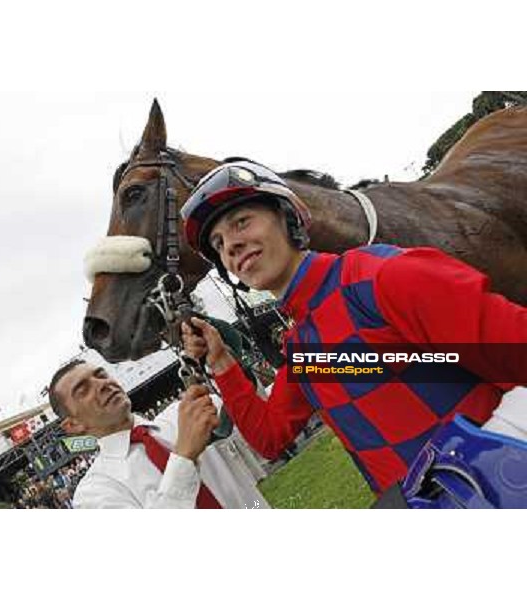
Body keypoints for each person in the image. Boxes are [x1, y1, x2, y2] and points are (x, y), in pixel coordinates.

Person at [179, 160, 527, 504]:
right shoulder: (303, 349)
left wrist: (478, 471)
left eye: (241, 222)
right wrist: (221, 360)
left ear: (289, 216)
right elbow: (270, 437)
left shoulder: (382, 277)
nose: (231, 246)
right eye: (219, 242)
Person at [48, 359, 268, 509]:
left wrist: (226, 359)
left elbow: (265, 424)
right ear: (73, 425)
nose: (102, 384)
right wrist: (184, 456)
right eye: (83, 389)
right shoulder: (94, 492)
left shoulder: (185, 413)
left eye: (101, 374)